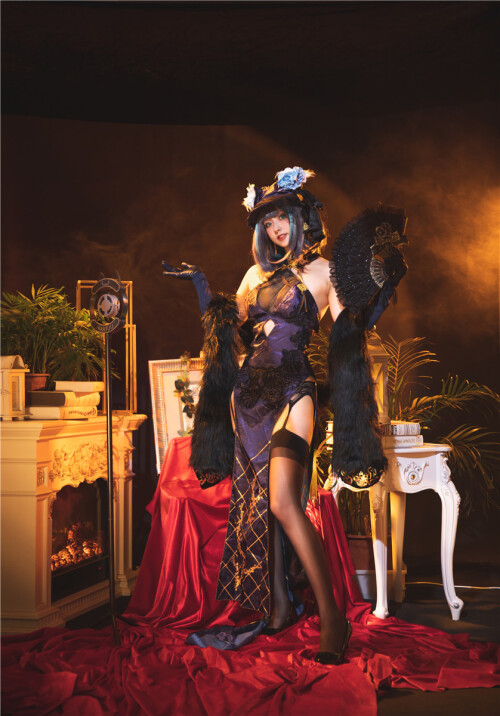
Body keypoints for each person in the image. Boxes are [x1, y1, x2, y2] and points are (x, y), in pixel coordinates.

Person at [162, 166, 407, 664]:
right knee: (260, 505)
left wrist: (380, 292)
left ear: (301, 218)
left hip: (296, 391)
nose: (274, 228)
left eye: (281, 218)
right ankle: (278, 608)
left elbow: (347, 332)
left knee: (282, 502)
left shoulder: (324, 273)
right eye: (267, 222)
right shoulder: (254, 276)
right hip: (249, 395)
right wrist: (202, 286)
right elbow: (231, 333)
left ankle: (334, 621)